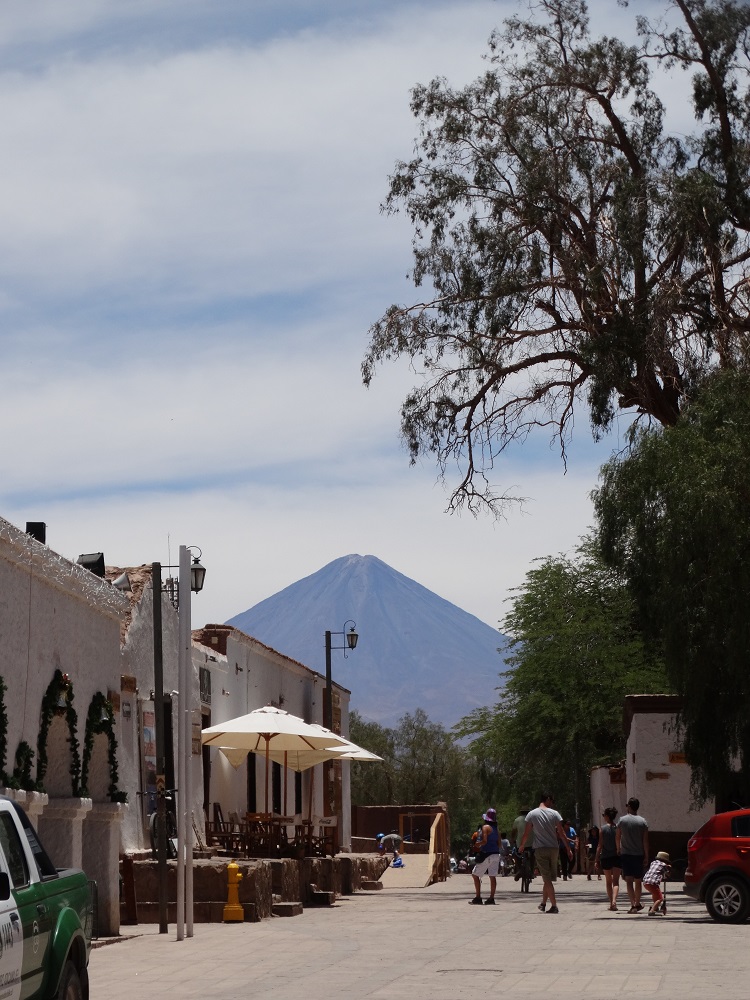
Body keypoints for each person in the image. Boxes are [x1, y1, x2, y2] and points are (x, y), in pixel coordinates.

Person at [519, 793, 573, 914]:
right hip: (554, 848)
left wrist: (522, 845)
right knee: (547, 878)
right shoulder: (555, 814)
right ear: (547, 799)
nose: (552, 803)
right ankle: (543, 903)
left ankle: (554, 905)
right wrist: (568, 848)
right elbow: (561, 833)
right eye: (552, 801)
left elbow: (526, 833)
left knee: (547, 879)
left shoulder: (532, 814)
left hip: (540, 848)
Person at [616, 797, 649, 914]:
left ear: (629, 806)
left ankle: (632, 905)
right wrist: (646, 856)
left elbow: (618, 836)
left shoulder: (622, 820)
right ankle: (637, 902)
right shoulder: (643, 822)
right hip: (638, 854)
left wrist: (618, 848)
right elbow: (645, 840)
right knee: (638, 880)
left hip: (626, 854)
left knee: (629, 881)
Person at [468, 808, 501, 905]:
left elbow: (484, 841)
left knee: (475, 875)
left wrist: (477, 844)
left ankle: (478, 897)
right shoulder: (497, 829)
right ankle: (491, 898)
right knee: (492, 876)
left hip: (487, 854)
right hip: (496, 854)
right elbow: (499, 844)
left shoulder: (485, 827)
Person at [595, 807, 621, 911]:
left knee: (608, 881)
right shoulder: (618, 828)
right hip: (617, 856)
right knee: (616, 881)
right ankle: (615, 901)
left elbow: (599, 845)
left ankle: (611, 902)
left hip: (605, 857)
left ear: (607, 816)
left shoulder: (602, 829)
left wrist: (596, 859)